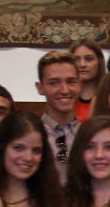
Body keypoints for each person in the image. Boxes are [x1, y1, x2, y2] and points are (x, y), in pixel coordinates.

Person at [35, 50, 83, 178]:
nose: (64, 90)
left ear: (79, 85)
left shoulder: (90, 135)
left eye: (71, 81)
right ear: (40, 88)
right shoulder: (31, 136)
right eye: (54, 83)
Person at [72, 44, 105, 121]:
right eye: (77, 60)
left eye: (89, 59)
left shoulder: (109, 96)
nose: (82, 65)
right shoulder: (65, 97)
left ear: (100, 62)